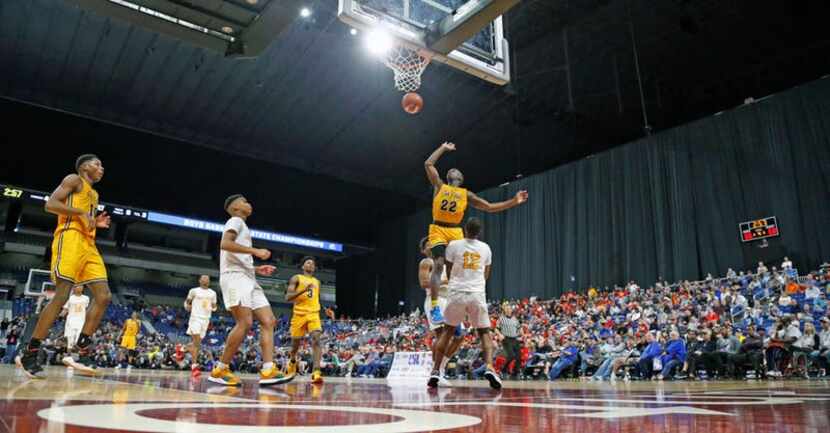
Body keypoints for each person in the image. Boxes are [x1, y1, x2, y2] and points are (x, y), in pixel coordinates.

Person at [20, 154, 112, 378]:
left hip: (88, 244)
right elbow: (51, 205)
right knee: (62, 295)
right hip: (69, 239)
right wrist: (81, 213)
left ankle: (81, 347)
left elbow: (84, 218)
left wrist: (95, 223)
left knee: (104, 296)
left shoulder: (94, 193)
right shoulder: (74, 180)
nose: (101, 167)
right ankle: (30, 352)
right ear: (83, 167)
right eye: (97, 164)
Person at [423, 142, 528, 326]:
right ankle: (434, 307)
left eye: (457, 171)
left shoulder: (466, 194)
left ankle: (458, 308)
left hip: (455, 230)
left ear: (460, 178)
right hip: (438, 228)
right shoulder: (439, 186)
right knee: (438, 264)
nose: (455, 170)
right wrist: (443, 148)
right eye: (452, 170)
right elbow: (428, 164)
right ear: (449, 177)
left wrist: (513, 201)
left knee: (458, 269)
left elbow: (489, 207)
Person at [210, 194, 291, 387]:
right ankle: (220, 369)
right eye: (245, 201)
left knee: (269, 320)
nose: (249, 203)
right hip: (235, 278)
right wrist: (256, 252)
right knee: (245, 322)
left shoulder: (242, 225)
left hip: (248, 277)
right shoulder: (235, 220)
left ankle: (268, 369)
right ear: (235, 207)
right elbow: (225, 244)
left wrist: (256, 268)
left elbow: (234, 255)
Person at [429, 218, 501, 390]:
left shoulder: (453, 245)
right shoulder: (486, 248)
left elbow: (447, 268)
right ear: (479, 232)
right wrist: (476, 285)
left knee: (447, 332)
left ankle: (435, 370)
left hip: (457, 293)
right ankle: (490, 367)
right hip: (477, 293)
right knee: (484, 333)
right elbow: (486, 273)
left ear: (464, 230)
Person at [418, 237, 464, 386]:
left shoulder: (445, 264)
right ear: (423, 250)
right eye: (427, 245)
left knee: (459, 336)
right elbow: (424, 283)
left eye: (433, 244)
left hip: (450, 301)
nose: (431, 246)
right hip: (435, 301)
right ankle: (436, 371)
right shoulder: (427, 263)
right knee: (442, 336)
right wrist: (445, 281)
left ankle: (439, 369)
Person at [285, 257, 324, 384]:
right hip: (299, 315)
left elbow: (315, 299)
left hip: (313, 313)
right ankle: (292, 360)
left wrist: (325, 310)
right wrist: (303, 290)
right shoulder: (296, 278)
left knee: (317, 339)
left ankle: (316, 372)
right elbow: (288, 297)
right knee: (295, 345)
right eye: (308, 262)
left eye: (313, 263)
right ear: (303, 266)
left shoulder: (317, 282)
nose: (311, 264)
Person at [184, 275, 217, 378]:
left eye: (207, 279)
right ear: (199, 280)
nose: (205, 280)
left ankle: (181, 349)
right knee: (197, 342)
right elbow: (188, 301)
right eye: (203, 278)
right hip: (195, 318)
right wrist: (187, 306)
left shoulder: (213, 293)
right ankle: (194, 366)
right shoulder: (194, 291)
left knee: (196, 344)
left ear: (209, 282)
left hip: (206, 319)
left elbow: (215, 306)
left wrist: (213, 307)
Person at [495, 304, 522, 379]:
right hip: (506, 338)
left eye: (509, 308)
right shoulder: (501, 319)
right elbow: (496, 329)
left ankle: (515, 373)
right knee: (511, 355)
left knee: (519, 357)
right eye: (506, 309)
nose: (508, 310)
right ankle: (503, 370)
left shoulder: (515, 319)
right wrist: (500, 334)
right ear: (504, 310)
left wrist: (522, 335)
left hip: (514, 338)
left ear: (511, 310)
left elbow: (519, 328)